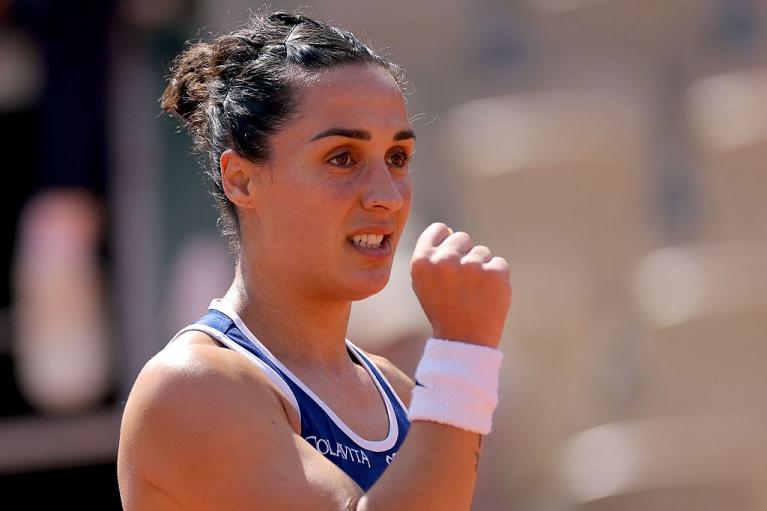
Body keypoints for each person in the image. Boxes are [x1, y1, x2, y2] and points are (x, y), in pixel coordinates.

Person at [117, 10, 511, 511]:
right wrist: (461, 351)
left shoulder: (397, 389)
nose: (387, 196)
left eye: (397, 158)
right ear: (241, 180)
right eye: (342, 158)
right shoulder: (190, 386)